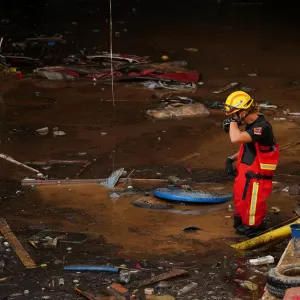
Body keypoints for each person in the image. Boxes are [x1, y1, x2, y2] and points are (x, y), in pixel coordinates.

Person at [222, 91, 279, 236]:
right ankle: (245, 223)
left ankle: (255, 230)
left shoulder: (262, 127)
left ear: (244, 111)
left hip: (257, 177)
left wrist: (232, 124)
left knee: (253, 208)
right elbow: (249, 146)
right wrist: (232, 159)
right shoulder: (251, 125)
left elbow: (236, 138)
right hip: (247, 173)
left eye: (234, 114)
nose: (233, 117)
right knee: (241, 203)